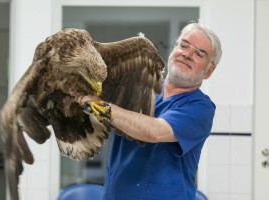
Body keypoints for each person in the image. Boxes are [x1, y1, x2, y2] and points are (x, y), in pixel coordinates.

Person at [81, 21, 222, 200]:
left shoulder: (200, 107)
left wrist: (101, 106)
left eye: (199, 54)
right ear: (174, 49)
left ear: (209, 71)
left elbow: (156, 132)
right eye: (184, 45)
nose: (187, 54)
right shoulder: (139, 89)